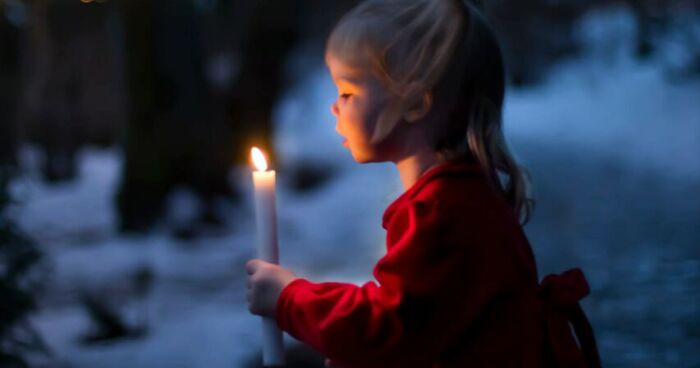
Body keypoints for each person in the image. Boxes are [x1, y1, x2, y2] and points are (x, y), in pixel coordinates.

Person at [246, 0, 600, 367]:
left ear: (415, 103)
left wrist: (289, 299)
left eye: (348, 92)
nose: (335, 107)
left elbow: (388, 327)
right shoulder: (465, 194)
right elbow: (433, 330)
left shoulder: (441, 211)